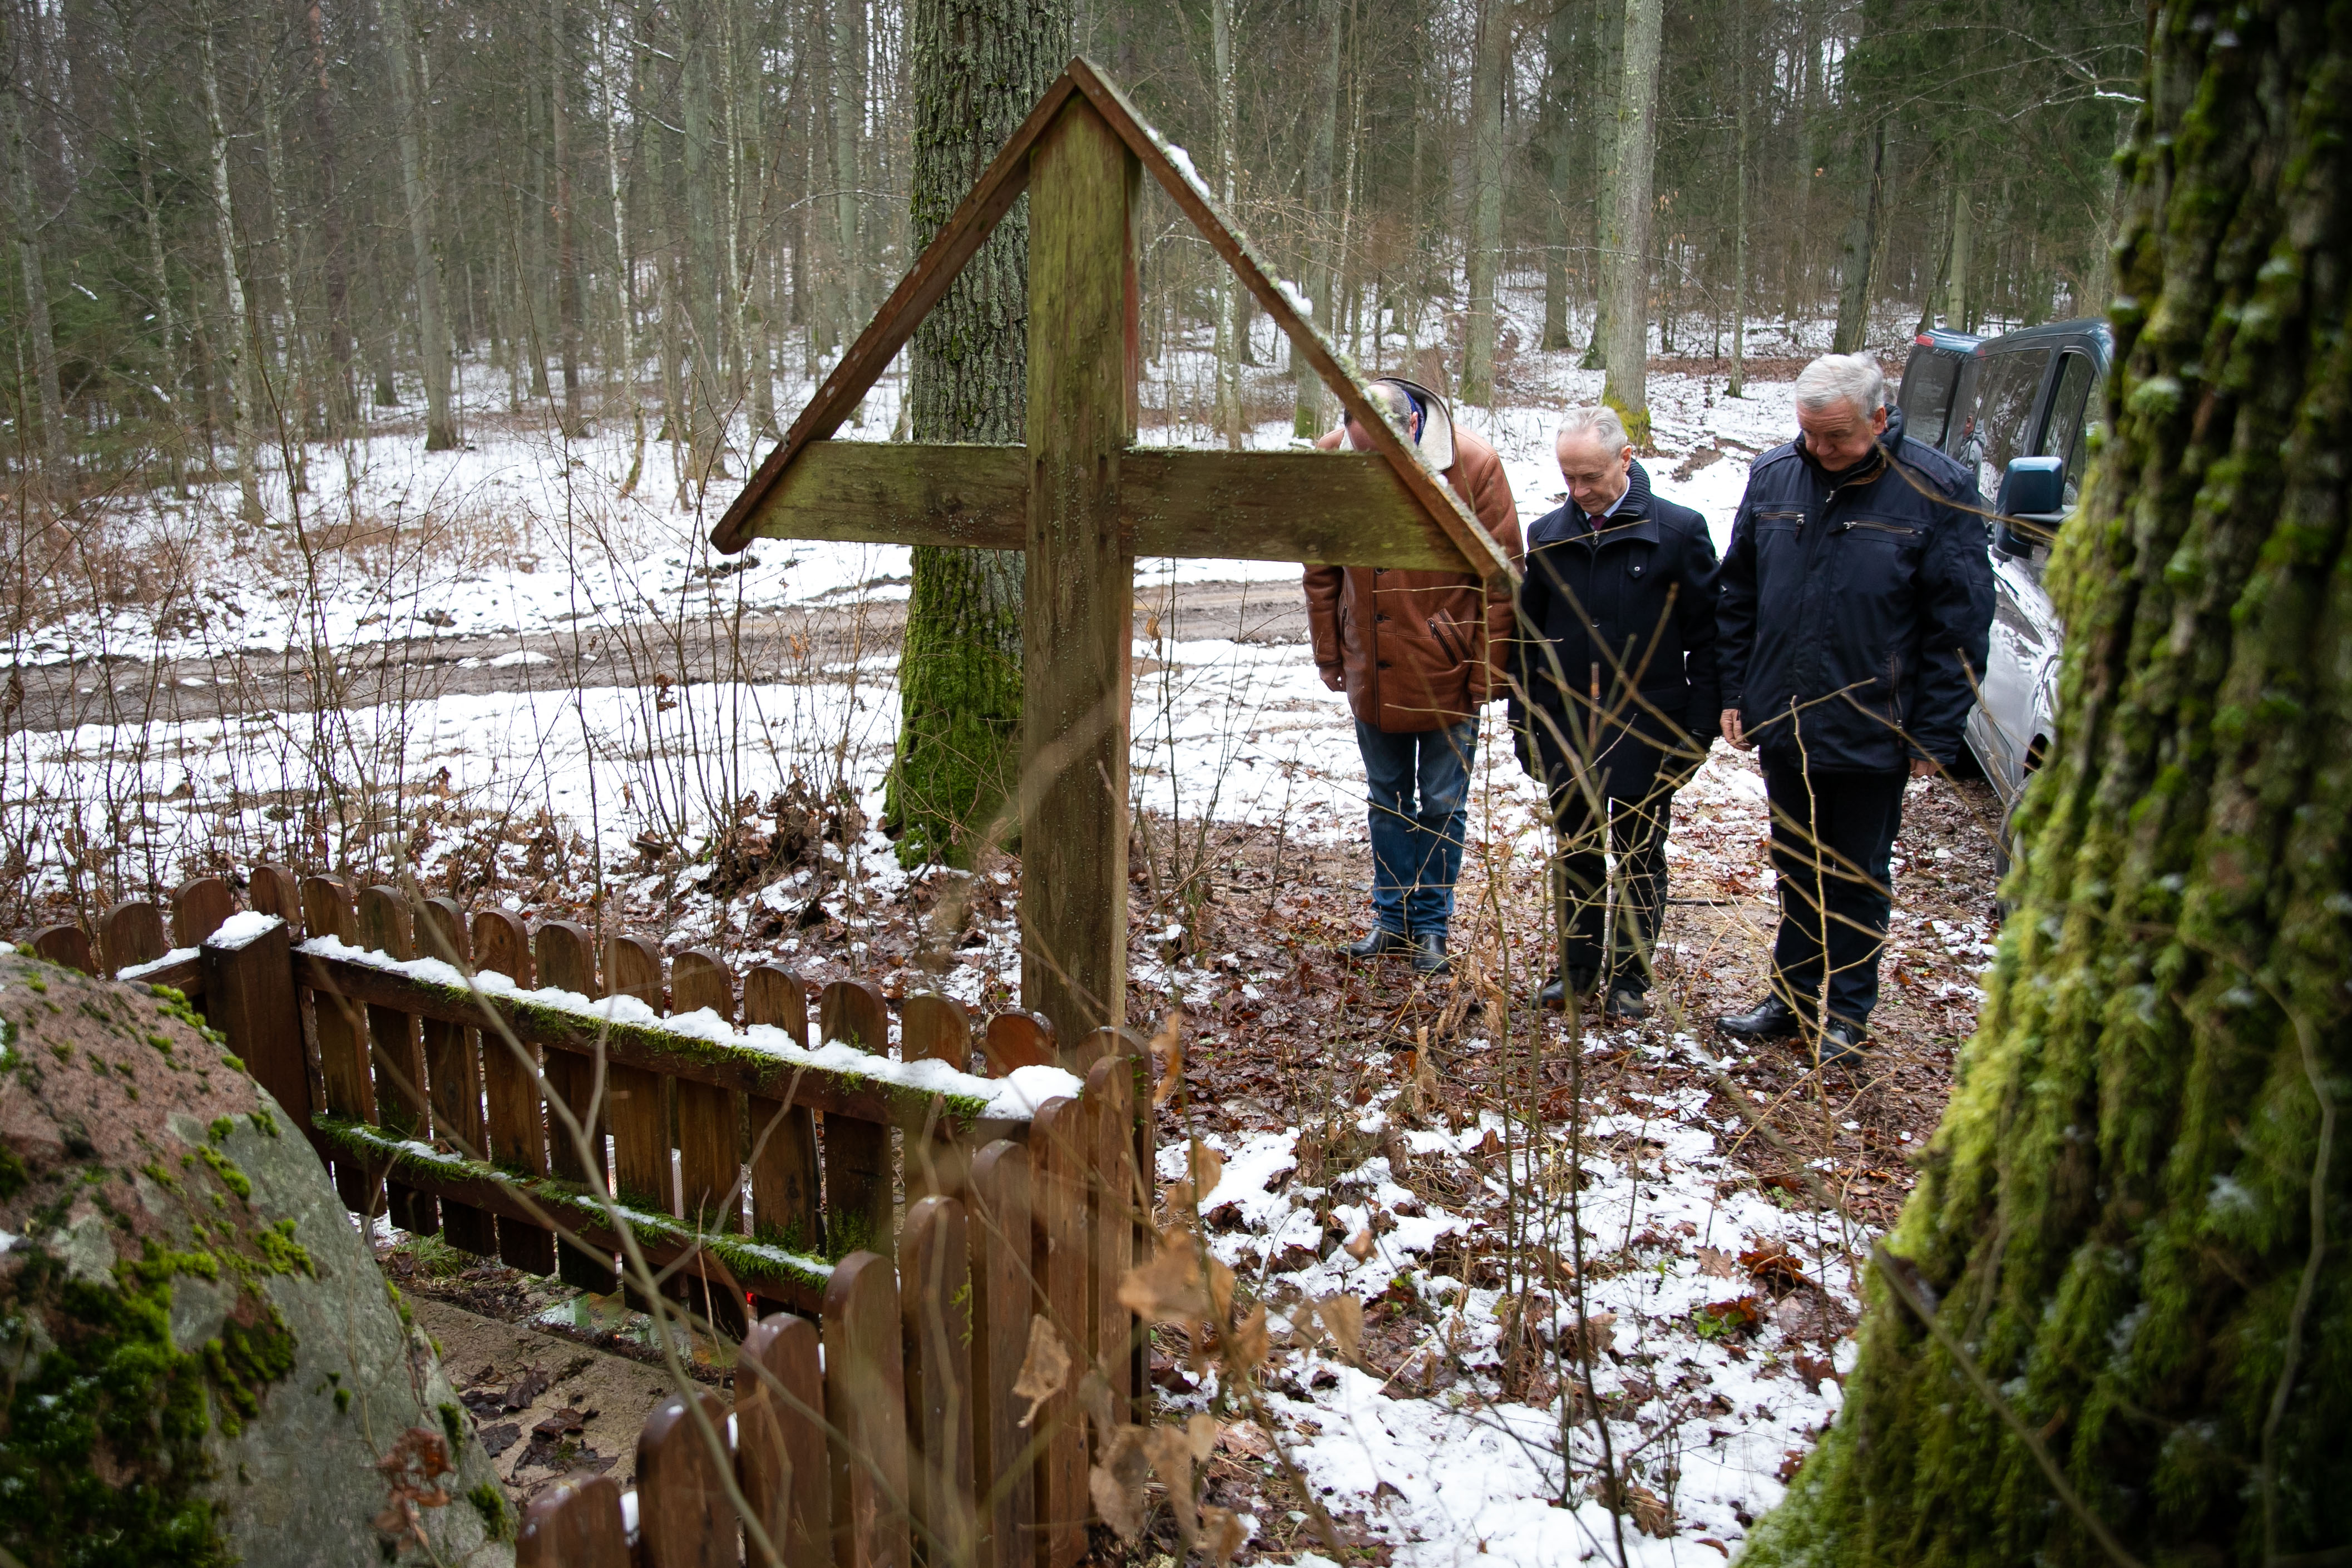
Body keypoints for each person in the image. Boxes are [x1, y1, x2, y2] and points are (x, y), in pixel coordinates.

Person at [1714, 353, 1995, 1064]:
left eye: (1836, 435)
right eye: (1809, 432)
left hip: (1876, 723)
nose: (1820, 448)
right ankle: (1791, 992)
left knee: (1858, 872)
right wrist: (1734, 693)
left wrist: (1933, 731)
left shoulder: (1935, 487)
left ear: (1879, 417)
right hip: (1784, 719)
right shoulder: (1774, 475)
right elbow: (1738, 593)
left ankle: (1847, 1010)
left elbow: (1958, 626)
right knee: (1796, 863)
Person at [1305, 378, 1523, 976]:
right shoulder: (1332, 459)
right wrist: (1331, 653)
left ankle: (1431, 925)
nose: (1369, 466)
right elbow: (1320, 566)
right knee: (1386, 798)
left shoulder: (1473, 464)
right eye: (1360, 453)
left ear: (1411, 430)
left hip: (1445, 665)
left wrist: (1486, 672)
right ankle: (1391, 920)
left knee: (1443, 802)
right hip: (1368, 661)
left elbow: (1501, 575)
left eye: (1383, 453)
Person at [1510, 407, 1719, 1019]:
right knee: (1575, 851)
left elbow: (1709, 638)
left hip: (1648, 727)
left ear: (1625, 459)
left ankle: (1631, 978)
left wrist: (1698, 730)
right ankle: (1576, 971)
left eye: (1591, 477)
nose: (1579, 491)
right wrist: (1525, 722)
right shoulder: (1548, 534)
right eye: (1568, 478)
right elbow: (1529, 637)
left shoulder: (1678, 532)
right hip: (1567, 724)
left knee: (1637, 853)